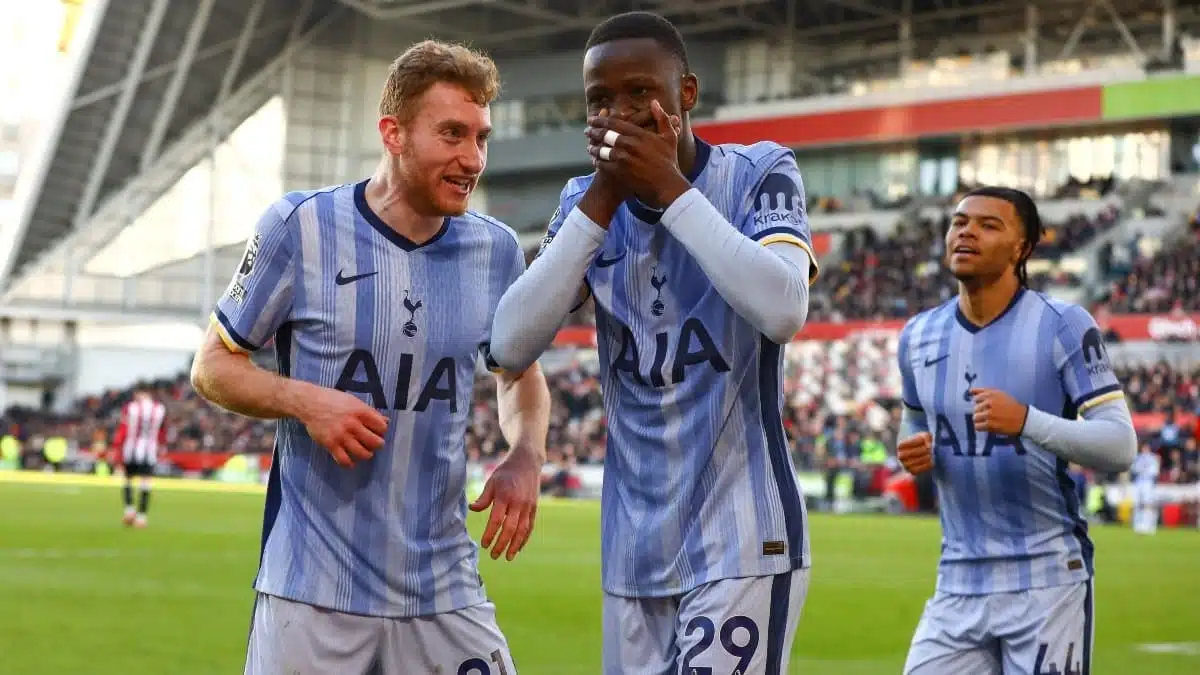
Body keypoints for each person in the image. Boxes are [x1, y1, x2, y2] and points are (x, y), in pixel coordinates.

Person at [189, 39, 550, 675]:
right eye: (452, 134)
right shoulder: (301, 227)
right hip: (313, 594)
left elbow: (518, 375)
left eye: (481, 138)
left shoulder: (494, 250)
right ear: (393, 133)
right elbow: (213, 365)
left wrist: (527, 455)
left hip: (444, 588)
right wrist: (305, 401)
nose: (472, 158)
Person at [489, 12, 815, 674]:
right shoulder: (583, 203)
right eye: (599, 100)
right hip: (633, 550)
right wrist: (603, 199)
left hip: (743, 536)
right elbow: (509, 345)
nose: (619, 113)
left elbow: (784, 309)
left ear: (686, 93)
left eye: (640, 91)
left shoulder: (760, 171)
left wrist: (668, 187)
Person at [893, 186, 1138, 675]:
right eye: (960, 222)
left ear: (1022, 248)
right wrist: (909, 445)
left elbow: (1120, 445)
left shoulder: (1063, 324)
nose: (967, 232)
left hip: (1046, 581)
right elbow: (914, 418)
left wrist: (1027, 420)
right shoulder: (918, 334)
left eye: (989, 225)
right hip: (957, 583)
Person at [112, 386, 167, 528]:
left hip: (131, 449)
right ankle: (141, 517)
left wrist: (117, 449)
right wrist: (161, 446)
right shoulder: (160, 409)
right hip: (149, 450)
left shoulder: (130, 408)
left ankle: (129, 511)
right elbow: (162, 431)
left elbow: (123, 429)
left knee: (128, 480)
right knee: (146, 483)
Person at [1130, 444, 1160, 535]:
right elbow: (1134, 469)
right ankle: (1138, 524)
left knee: (1148, 504)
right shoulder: (1137, 458)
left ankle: (1149, 525)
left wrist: (1144, 470)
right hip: (1139, 482)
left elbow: (1154, 471)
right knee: (1137, 504)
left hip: (1148, 483)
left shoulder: (1153, 458)